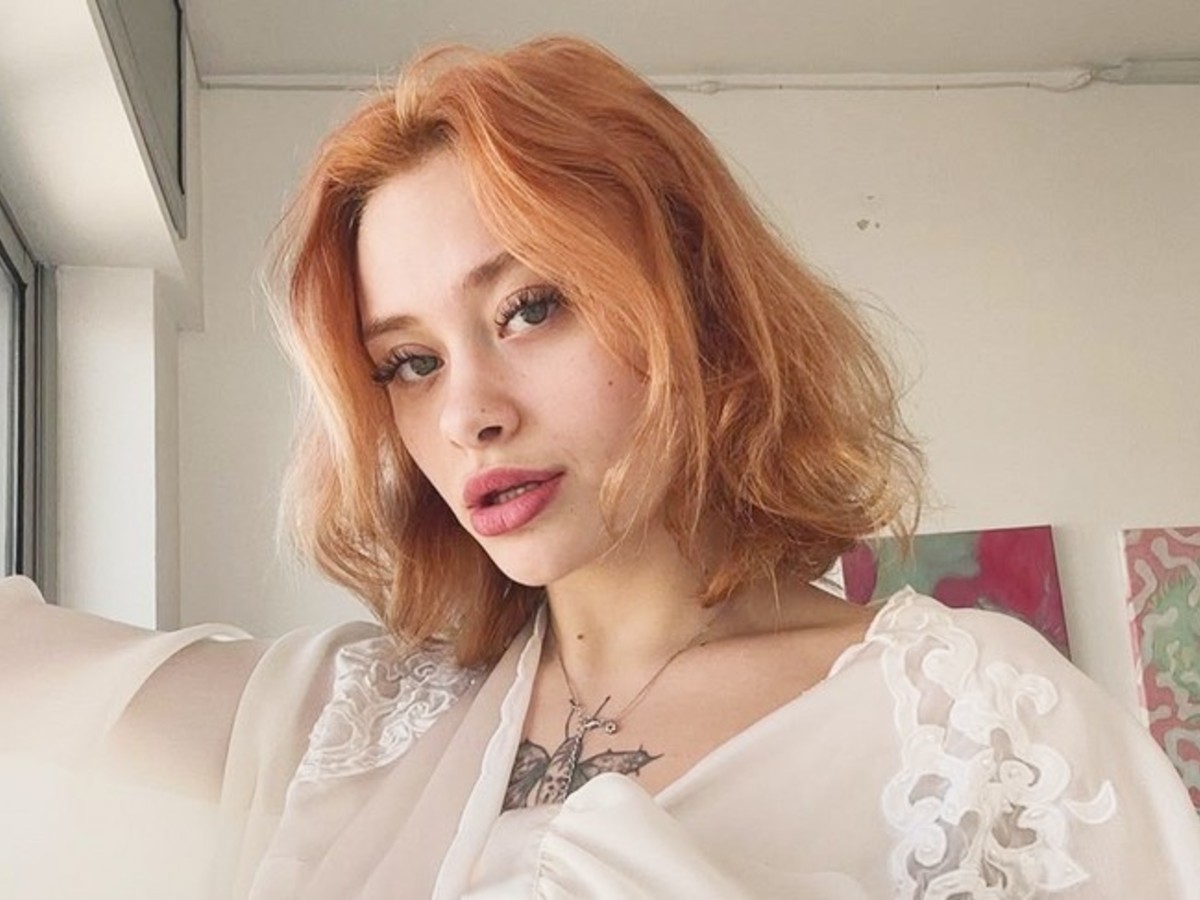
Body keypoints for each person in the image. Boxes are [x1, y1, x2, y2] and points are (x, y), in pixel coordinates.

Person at [2, 35, 1198, 900]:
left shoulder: (979, 720)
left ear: (697, 302)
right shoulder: (348, 723)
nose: (468, 413)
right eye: (409, 362)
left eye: (530, 308)